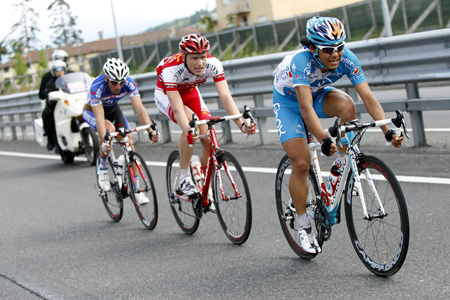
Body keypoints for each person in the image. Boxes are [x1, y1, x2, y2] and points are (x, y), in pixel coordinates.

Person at [272, 16, 404, 254]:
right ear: (313, 48)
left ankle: (342, 165)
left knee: (347, 105)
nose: (336, 54)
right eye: (328, 50)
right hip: (290, 102)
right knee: (301, 163)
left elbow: (368, 98)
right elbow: (305, 107)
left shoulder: (347, 58)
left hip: (317, 92)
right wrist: (323, 138)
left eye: (340, 47)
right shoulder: (301, 61)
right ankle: (303, 226)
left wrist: (388, 130)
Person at [155, 33, 256, 200]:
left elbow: (225, 97)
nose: (200, 63)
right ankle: (183, 177)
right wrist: (188, 130)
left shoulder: (213, 64)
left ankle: (200, 177)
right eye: (194, 58)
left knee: (207, 137)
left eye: (202, 57)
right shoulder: (171, 69)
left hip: (190, 92)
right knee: (190, 122)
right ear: (184, 56)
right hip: (167, 95)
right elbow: (178, 109)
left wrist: (241, 124)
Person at [83, 57, 159, 205]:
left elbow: (140, 109)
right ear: (106, 78)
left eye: (121, 82)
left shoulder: (128, 82)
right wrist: (104, 141)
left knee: (128, 140)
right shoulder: (97, 86)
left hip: (113, 110)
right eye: (114, 82)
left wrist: (150, 129)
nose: (118, 86)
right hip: (92, 112)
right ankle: (103, 167)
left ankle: (137, 190)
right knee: (109, 130)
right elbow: (99, 119)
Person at [41, 60, 67, 151]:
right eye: (57, 70)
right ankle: (50, 138)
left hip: (70, 103)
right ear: (53, 71)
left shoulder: (70, 77)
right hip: (56, 105)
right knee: (47, 114)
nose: (60, 72)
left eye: (61, 69)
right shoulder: (50, 83)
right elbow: (45, 93)